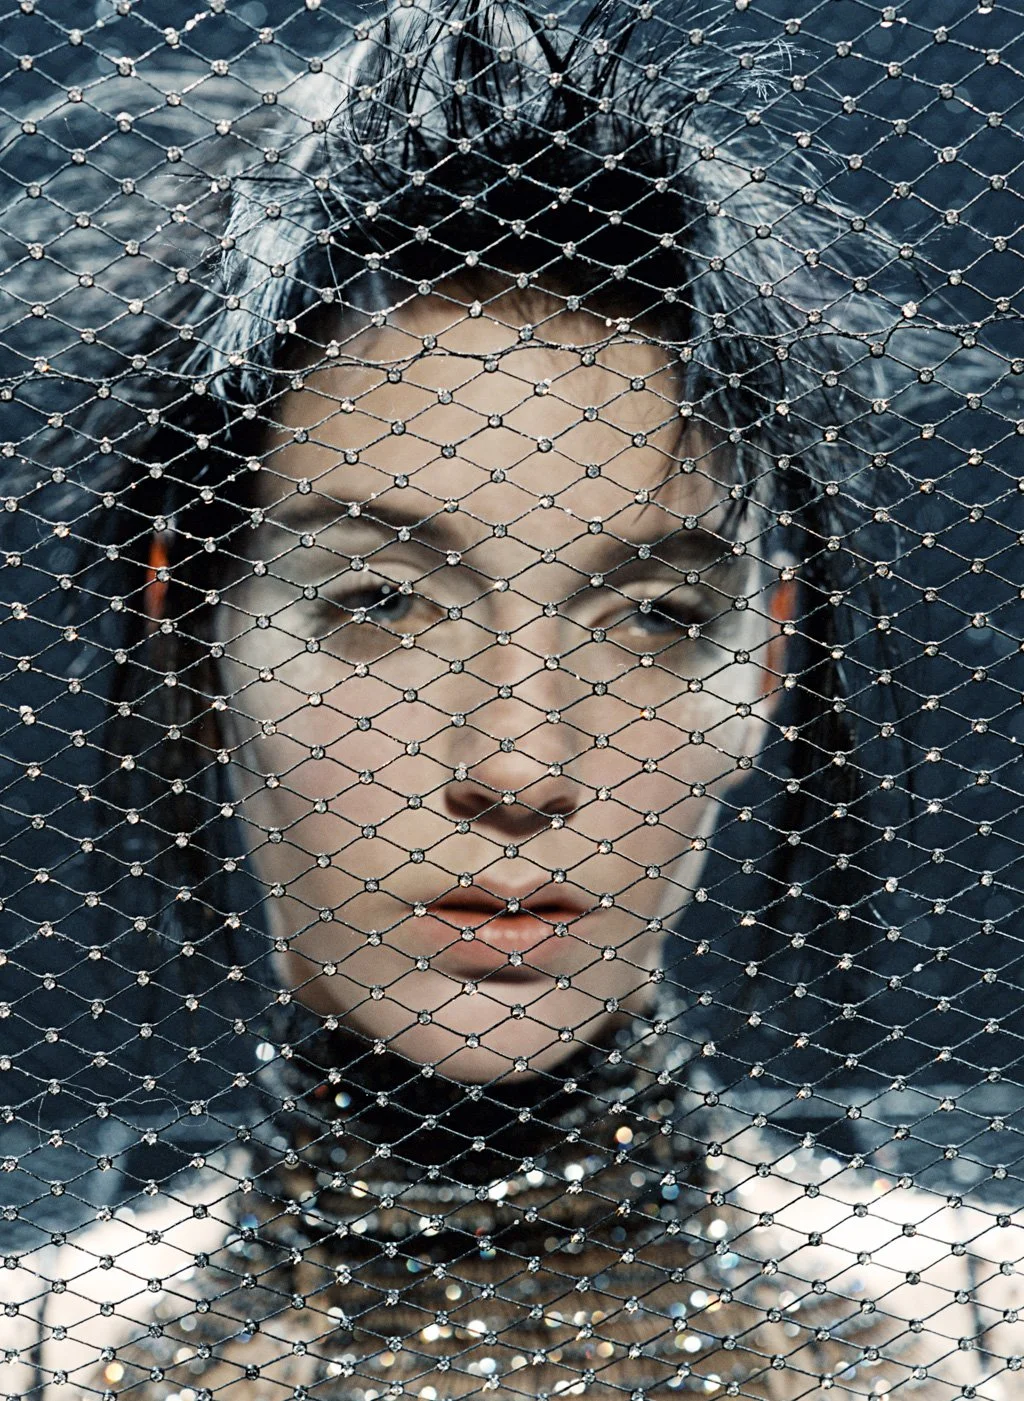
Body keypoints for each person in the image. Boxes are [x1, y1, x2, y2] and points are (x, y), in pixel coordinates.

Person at [1, 1, 1019, 1398]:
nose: (522, 763)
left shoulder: (989, 1340)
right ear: (195, 634)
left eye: (651, 618)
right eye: (377, 604)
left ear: (766, 660)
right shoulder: (35, 1360)